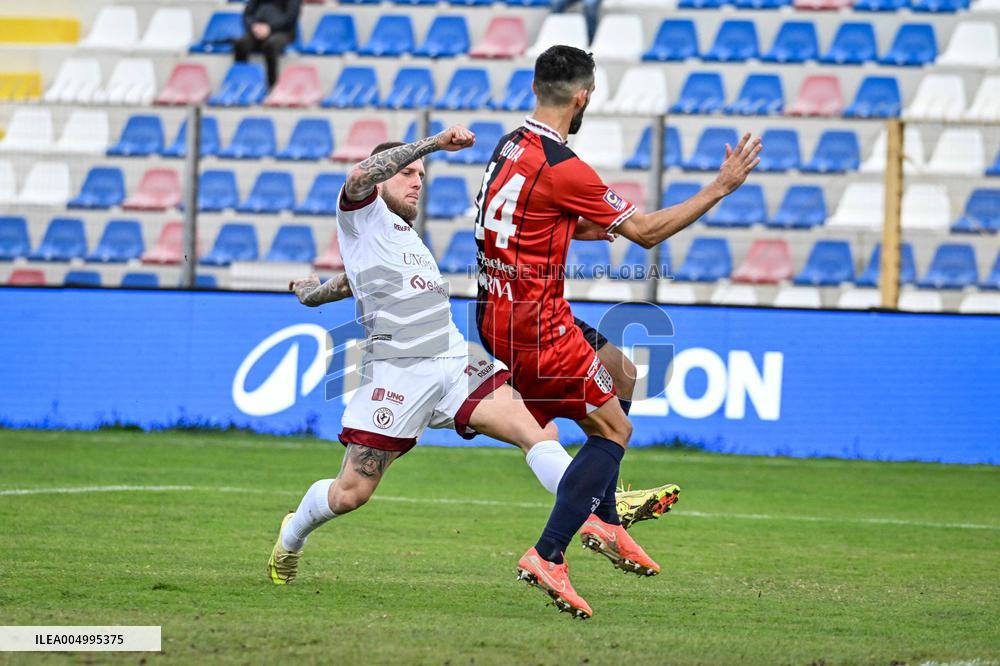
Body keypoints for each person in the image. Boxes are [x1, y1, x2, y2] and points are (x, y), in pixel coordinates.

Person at [267, 127, 678, 587]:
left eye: (422, 175)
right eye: (407, 173)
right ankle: (292, 534)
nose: (417, 181)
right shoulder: (360, 212)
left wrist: (315, 294)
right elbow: (359, 175)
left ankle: (601, 507)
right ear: (382, 179)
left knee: (538, 428)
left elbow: (352, 279)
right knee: (350, 493)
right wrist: (433, 143)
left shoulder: (399, 234)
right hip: (398, 372)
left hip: (452, 360)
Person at [473, 45, 761, 618]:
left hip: (496, 308)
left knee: (622, 371)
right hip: (534, 323)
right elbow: (647, 232)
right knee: (614, 429)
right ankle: (548, 553)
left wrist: (571, 226)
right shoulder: (565, 166)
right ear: (582, 97)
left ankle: (604, 520)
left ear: (535, 88)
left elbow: (512, 218)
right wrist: (721, 187)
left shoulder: (510, 145)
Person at [233, 0, 302, 88]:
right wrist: (253, 26)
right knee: (240, 44)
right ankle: (241, 83)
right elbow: (247, 14)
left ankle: (272, 86)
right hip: (256, 30)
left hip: (282, 32)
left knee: (270, 45)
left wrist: (270, 28)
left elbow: (291, 17)